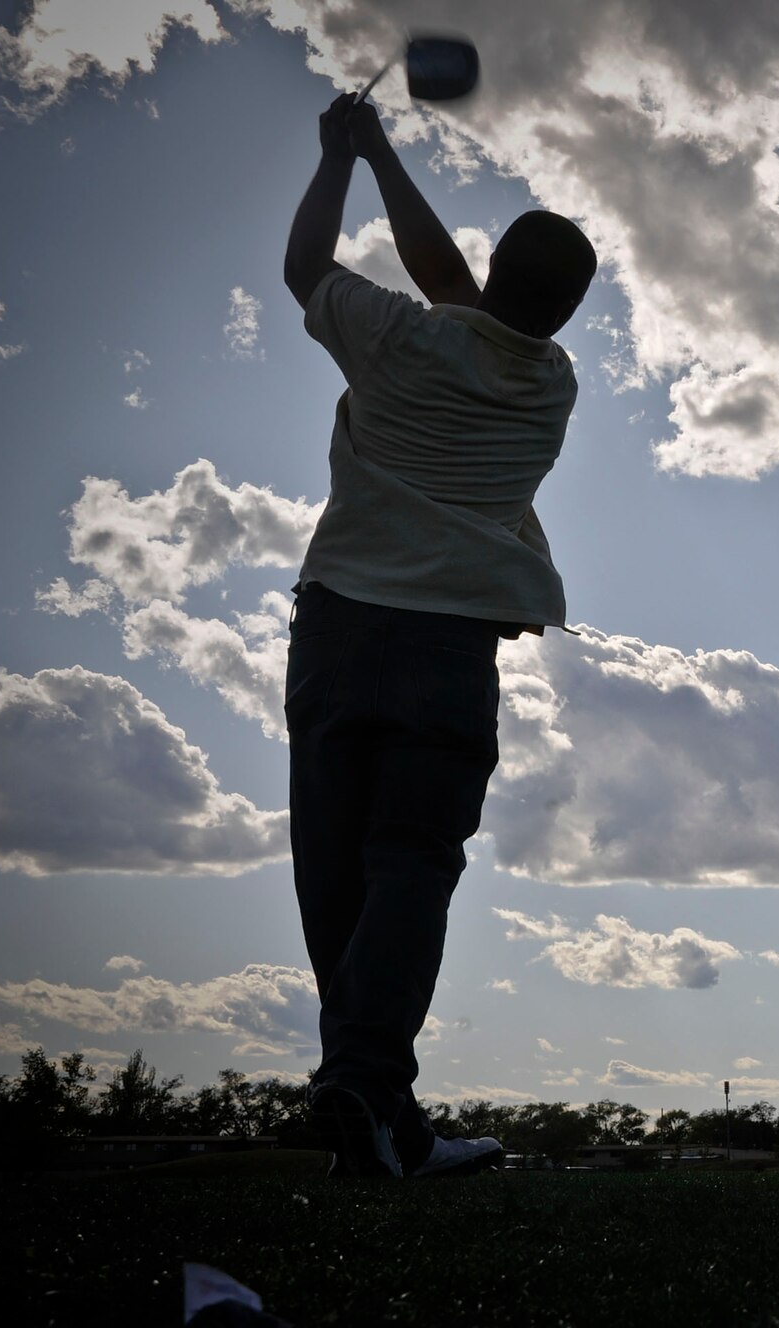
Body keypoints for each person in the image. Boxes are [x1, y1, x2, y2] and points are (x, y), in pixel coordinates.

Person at [281, 91, 597, 1178]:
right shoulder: (550, 384)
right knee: (409, 869)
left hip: (337, 632)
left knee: (336, 879)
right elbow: (457, 288)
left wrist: (346, 160)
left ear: (491, 269)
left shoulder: (396, 338)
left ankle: (369, 1095)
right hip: (449, 652)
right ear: (563, 313)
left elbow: (304, 266)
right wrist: (376, 150)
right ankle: (379, 1105)